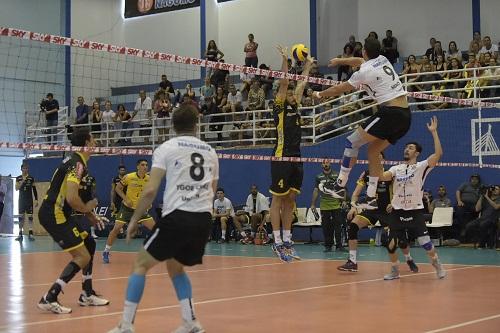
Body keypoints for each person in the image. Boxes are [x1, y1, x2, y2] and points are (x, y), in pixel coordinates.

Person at [107, 104, 219, 333]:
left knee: (140, 264)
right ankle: (191, 322)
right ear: (196, 124)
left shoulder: (166, 148)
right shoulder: (210, 150)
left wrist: (133, 219)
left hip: (178, 216)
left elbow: (150, 191)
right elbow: (213, 188)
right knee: (175, 268)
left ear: (172, 126)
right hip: (203, 218)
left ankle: (126, 325)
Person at [313, 38, 410, 211]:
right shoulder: (382, 59)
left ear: (364, 51)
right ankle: (372, 197)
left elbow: (339, 88)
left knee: (352, 141)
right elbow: (359, 61)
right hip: (405, 117)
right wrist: (339, 61)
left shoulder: (363, 72)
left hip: (391, 114)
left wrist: (319, 95)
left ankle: (340, 186)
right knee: (373, 151)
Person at [37, 128, 109, 314]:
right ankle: (49, 297)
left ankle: (87, 294)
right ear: (86, 143)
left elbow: (78, 198)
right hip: (54, 214)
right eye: (93, 139)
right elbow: (71, 198)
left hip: (60, 213)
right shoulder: (77, 165)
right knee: (82, 256)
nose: (95, 143)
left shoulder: (75, 161)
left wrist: (91, 215)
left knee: (89, 243)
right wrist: (88, 208)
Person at [377, 116, 445, 280]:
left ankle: (437, 265)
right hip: (397, 211)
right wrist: (377, 161)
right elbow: (382, 176)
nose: (406, 150)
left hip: (414, 211)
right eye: (406, 147)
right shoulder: (396, 168)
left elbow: (438, 154)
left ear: (417, 153)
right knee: (391, 243)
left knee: (426, 244)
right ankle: (395, 270)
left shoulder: (421, 166)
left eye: (410, 148)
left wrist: (434, 132)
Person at [337, 152, 418, 273]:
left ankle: (409, 259)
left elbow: (400, 190)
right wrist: (353, 207)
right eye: (374, 158)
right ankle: (352, 262)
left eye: (379, 158)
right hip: (371, 210)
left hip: (388, 211)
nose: (376, 160)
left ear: (383, 161)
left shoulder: (389, 174)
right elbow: (355, 194)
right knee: (353, 226)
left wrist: (394, 202)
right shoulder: (366, 174)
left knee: (400, 239)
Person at [269, 46, 314, 262]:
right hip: (281, 156)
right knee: (278, 199)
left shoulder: (295, 105)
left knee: (291, 199)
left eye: (294, 94)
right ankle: (276, 242)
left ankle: (288, 241)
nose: (293, 94)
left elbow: (301, 82)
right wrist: (286, 59)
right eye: (289, 93)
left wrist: (308, 64)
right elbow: (285, 82)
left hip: (297, 157)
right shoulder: (279, 107)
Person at [102, 160, 155, 263]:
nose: (145, 167)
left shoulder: (149, 179)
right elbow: (118, 189)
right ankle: (106, 251)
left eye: (146, 165)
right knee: (116, 229)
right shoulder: (129, 177)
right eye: (143, 165)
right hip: (127, 208)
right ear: (138, 167)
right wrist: (126, 199)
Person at [311, 160, 347, 252]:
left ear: (330, 163)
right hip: (324, 206)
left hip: (336, 205)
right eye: (323, 163)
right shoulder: (318, 177)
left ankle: (339, 245)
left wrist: (343, 201)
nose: (325, 164)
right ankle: (328, 245)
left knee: (338, 226)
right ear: (321, 165)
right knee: (326, 227)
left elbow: (342, 188)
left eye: (327, 162)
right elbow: (316, 190)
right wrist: (313, 204)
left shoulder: (336, 175)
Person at [15, 163, 38, 241]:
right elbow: (16, 188)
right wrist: (22, 181)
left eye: (26, 168)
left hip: (29, 200)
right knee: (21, 218)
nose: (25, 170)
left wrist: (36, 199)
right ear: (21, 169)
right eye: (24, 168)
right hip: (21, 200)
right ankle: (20, 234)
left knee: (30, 217)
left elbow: (34, 189)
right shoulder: (18, 178)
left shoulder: (31, 178)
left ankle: (30, 234)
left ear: (28, 169)